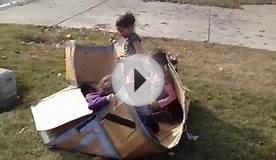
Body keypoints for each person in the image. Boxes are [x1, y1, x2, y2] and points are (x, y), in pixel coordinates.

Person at [150, 49, 182, 122]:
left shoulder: (165, 77)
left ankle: (161, 115)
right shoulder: (155, 73)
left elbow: (172, 96)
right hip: (154, 98)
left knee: (146, 112)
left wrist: (159, 104)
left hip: (162, 104)